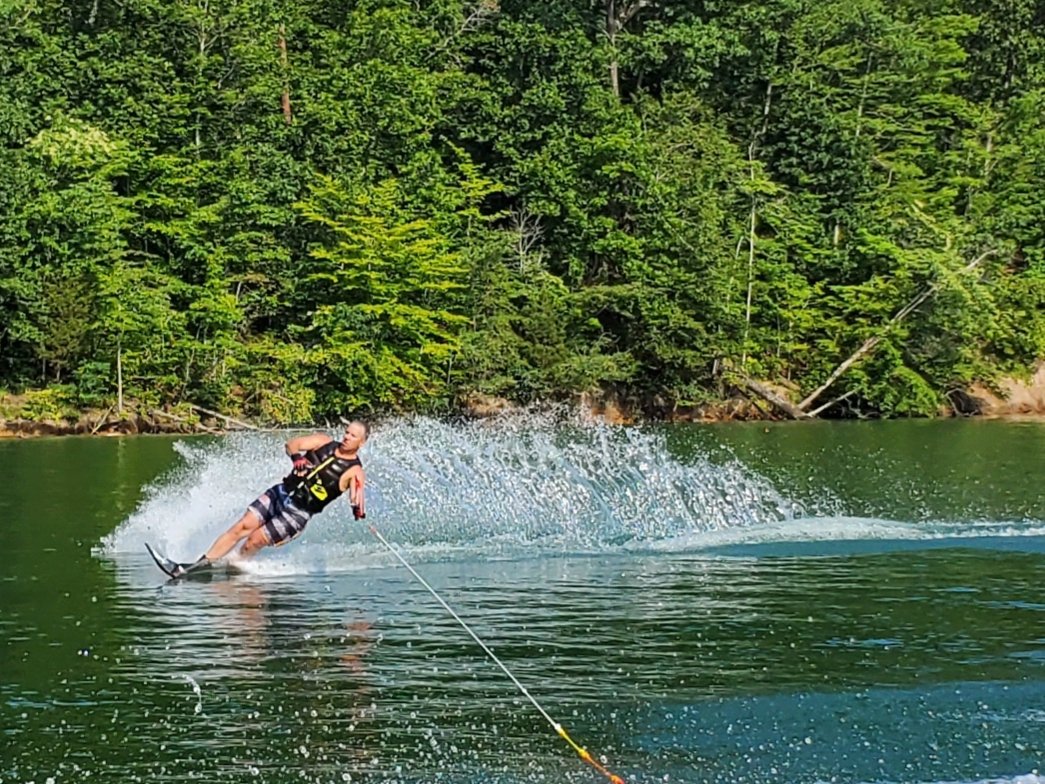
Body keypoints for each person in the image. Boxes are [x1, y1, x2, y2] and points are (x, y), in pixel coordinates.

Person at [172, 421, 368, 577]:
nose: (346, 437)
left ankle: (232, 567)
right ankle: (200, 565)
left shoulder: (355, 471)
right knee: (242, 526)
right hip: (281, 493)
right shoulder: (323, 441)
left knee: (253, 541)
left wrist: (357, 508)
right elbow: (292, 444)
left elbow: (357, 495)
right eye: (346, 432)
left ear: (362, 442)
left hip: (297, 513)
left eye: (353, 436)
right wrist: (296, 458)